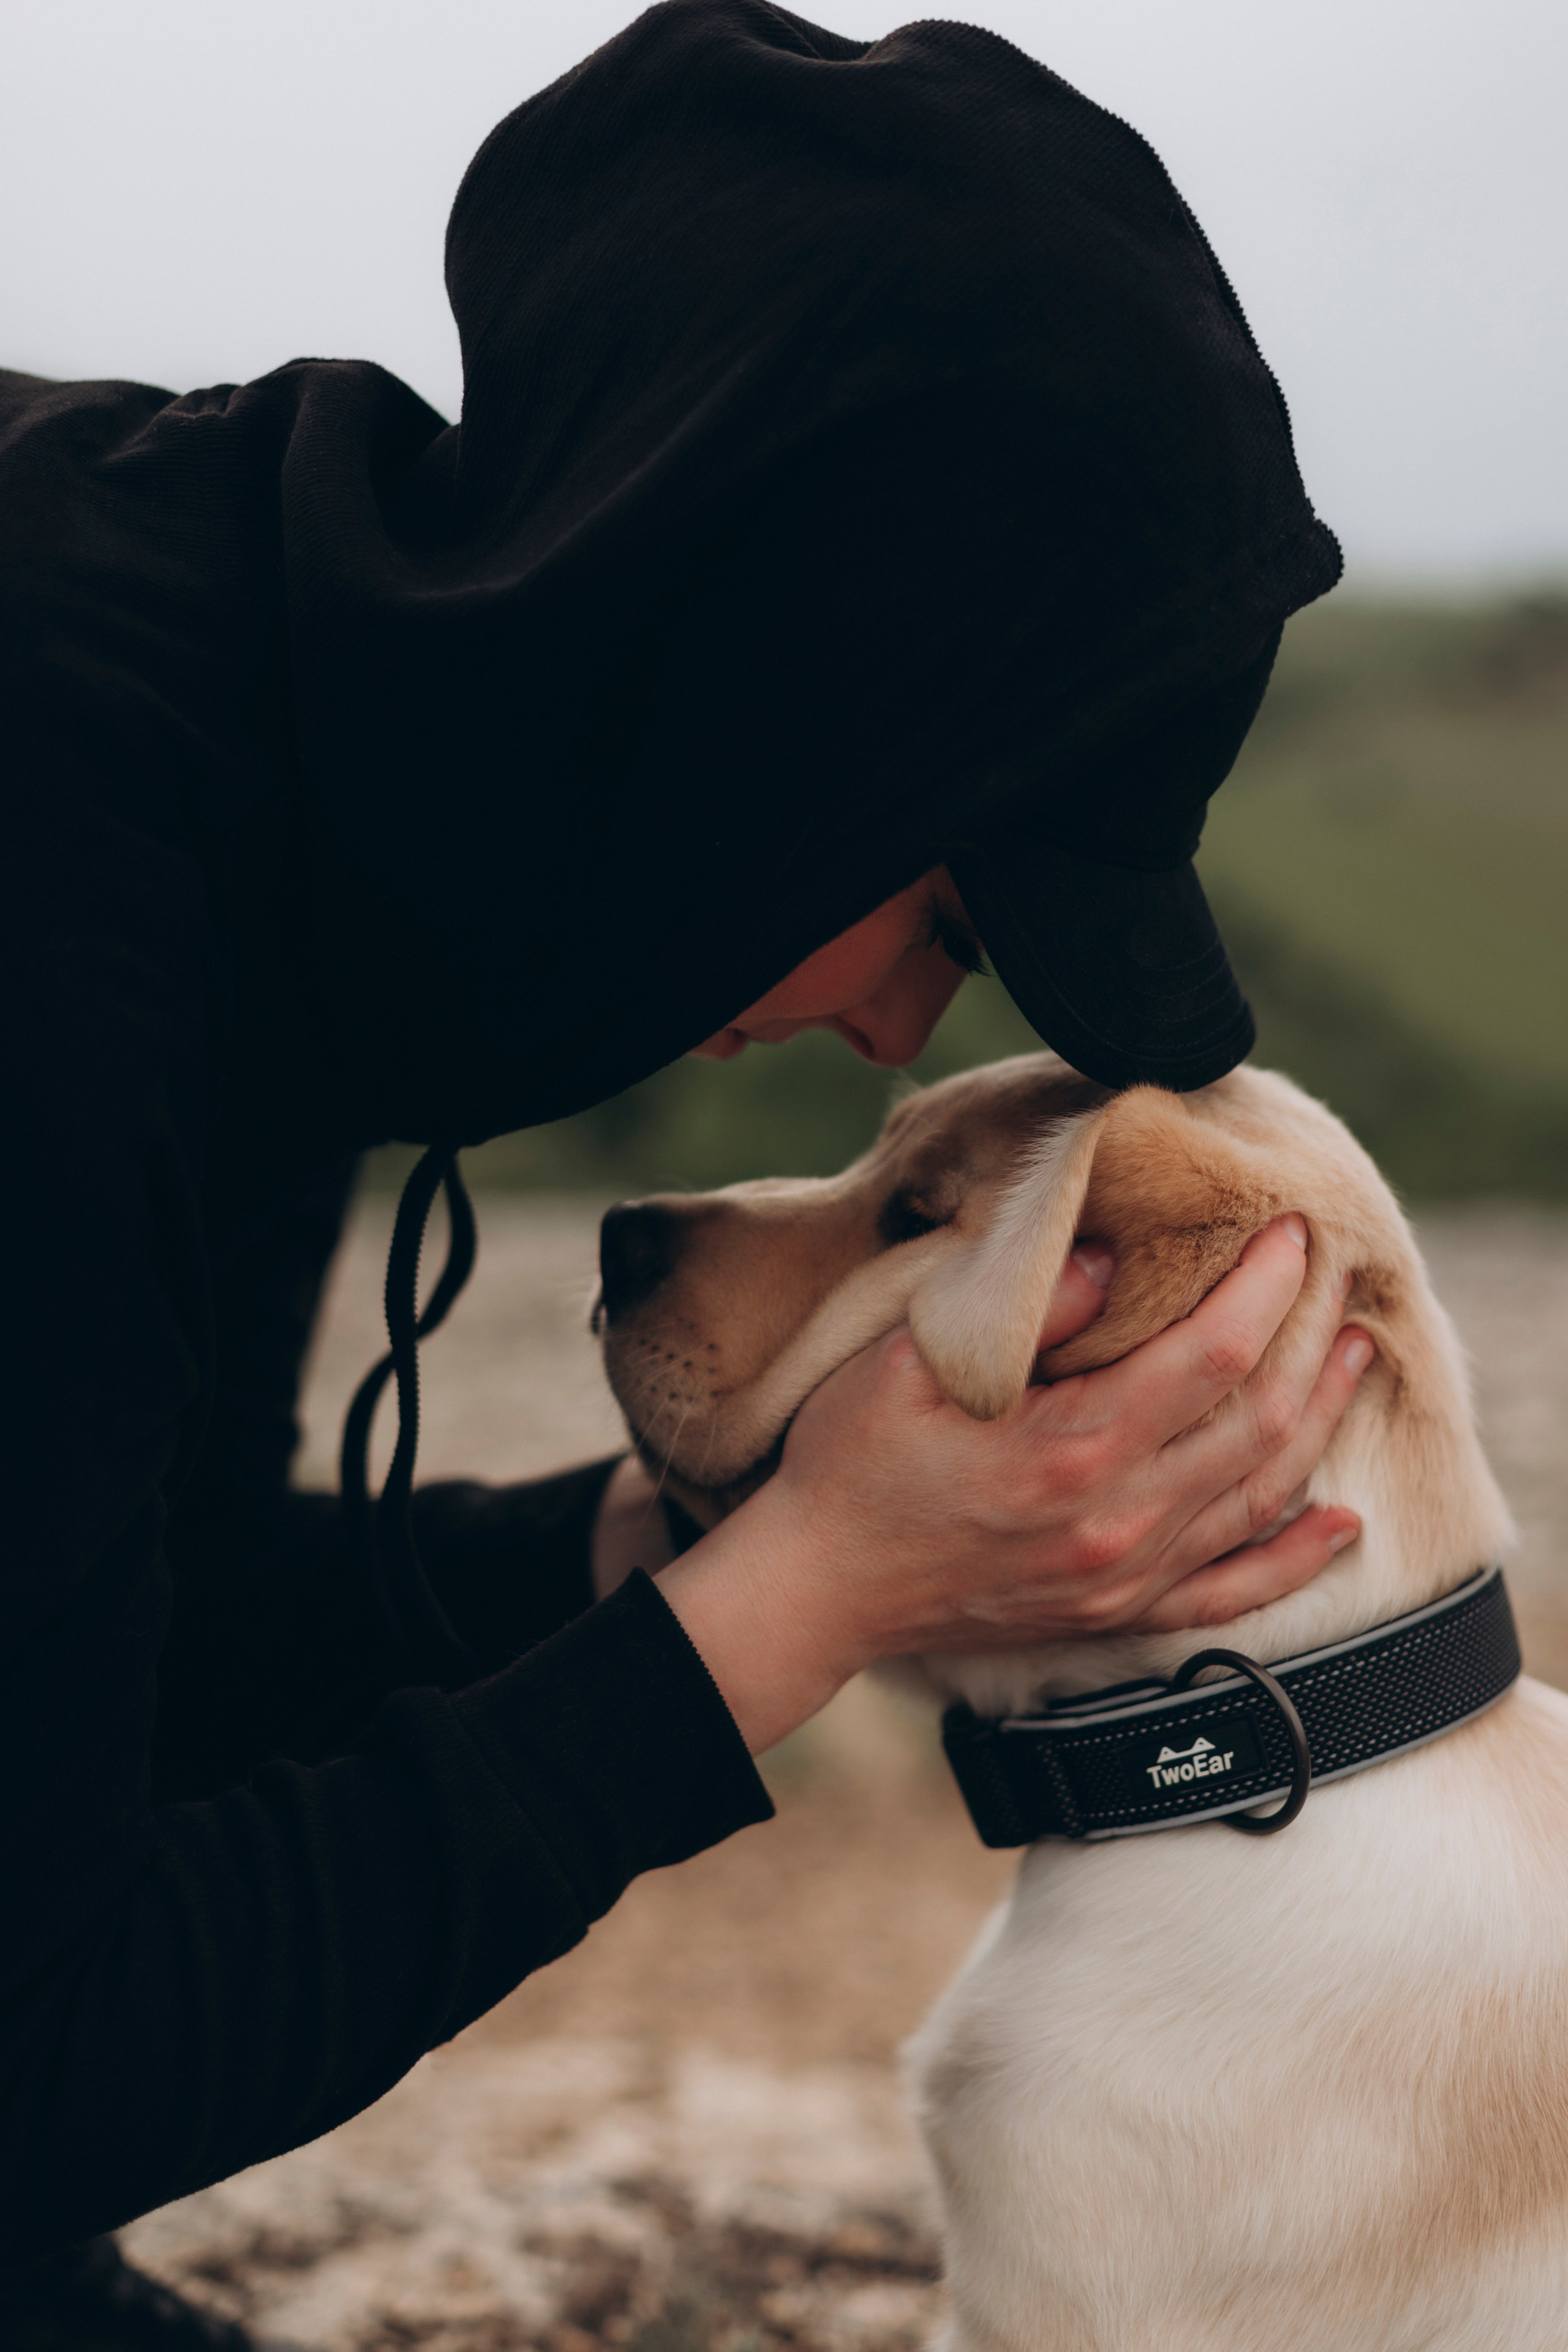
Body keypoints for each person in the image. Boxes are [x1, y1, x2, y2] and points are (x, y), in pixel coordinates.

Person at [0, 4, 1370, 2344]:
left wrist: (665, 1545)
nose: (900, 1023)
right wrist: (788, 1615)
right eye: (948, 914)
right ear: (755, 721)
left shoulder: (283, 765)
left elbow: (139, 1652)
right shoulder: (56, 873)